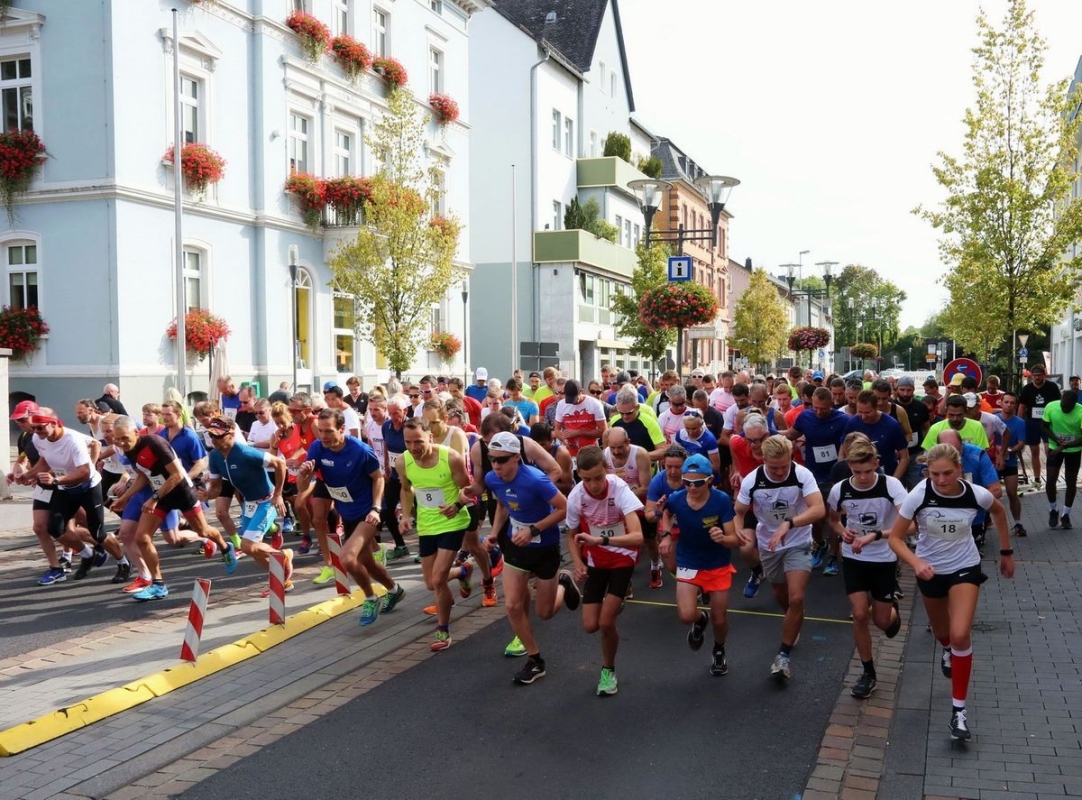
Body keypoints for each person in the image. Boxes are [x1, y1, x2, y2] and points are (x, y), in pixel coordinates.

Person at [888, 443, 1014, 741]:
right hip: (930, 571)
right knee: (943, 634)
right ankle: (946, 649)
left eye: (947, 473)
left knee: (960, 635)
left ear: (959, 469)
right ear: (927, 472)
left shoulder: (975, 494)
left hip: (964, 567)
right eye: (935, 474)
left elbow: (999, 512)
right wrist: (916, 562)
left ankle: (959, 711)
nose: (941, 480)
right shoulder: (919, 495)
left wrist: (1006, 552)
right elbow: (895, 538)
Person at [481, 432, 578, 684]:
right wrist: (494, 533)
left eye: (502, 459)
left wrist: (534, 530)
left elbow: (564, 507)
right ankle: (535, 660)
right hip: (516, 545)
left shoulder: (536, 480)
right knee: (512, 605)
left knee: (544, 613)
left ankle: (562, 583)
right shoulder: (492, 478)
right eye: (492, 459)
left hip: (545, 546)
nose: (496, 465)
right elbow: (503, 504)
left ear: (516, 457)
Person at [110, 416, 238, 599]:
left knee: (202, 530)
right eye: (117, 439)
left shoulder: (155, 443)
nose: (121, 443)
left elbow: (177, 475)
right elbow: (143, 476)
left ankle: (225, 547)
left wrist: (154, 498)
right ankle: (158, 585)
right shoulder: (129, 449)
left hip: (181, 491)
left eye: (124, 438)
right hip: (161, 495)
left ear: (136, 433)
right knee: (142, 537)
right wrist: (124, 498)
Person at [299, 409, 406, 626]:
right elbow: (302, 487)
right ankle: (395, 590)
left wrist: (376, 508)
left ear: (342, 429)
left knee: (347, 559)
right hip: (347, 512)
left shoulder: (360, 450)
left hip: (368, 513)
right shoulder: (317, 448)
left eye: (329, 431)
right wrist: (304, 473)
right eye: (321, 431)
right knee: (367, 562)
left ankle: (370, 598)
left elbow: (378, 478)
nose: (323, 436)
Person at [734, 435, 825, 681]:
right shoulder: (752, 480)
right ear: (763, 460)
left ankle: (782, 656)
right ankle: (793, 617)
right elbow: (739, 512)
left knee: (797, 597)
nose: (780, 472)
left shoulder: (802, 475)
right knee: (780, 593)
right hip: (769, 543)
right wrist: (739, 529)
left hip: (798, 540)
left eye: (784, 466)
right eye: (774, 468)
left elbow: (818, 509)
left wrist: (790, 523)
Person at [826, 436, 906, 698]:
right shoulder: (839, 490)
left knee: (881, 621)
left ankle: (892, 612)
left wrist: (876, 535)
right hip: (854, 558)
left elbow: (909, 525)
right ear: (849, 466)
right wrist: (843, 533)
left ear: (877, 464)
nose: (862, 477)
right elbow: (833, 520)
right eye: (857, 471)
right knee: (860, 614)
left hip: (884, 558)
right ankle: (868, 673)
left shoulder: (891, 485)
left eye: (868, 471)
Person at [566, 445, 644, 696]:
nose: (594, 485)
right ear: (579, 475)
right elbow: (571, 535)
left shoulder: (620, 489)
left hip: (623, 556)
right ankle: (603, 595)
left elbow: (638, 537)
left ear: (607, 470)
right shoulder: (576, 496)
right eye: (587, 479)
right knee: (590, 625)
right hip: (596, 559)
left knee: (606, 621)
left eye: (598, 477)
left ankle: (608, 671)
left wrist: (602, 540)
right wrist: (577, 563)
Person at [17, 408, 127, 580]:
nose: (36, 432)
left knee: (97, 532)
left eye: (40, 427)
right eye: (34, 428)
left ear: (54, 423)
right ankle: (88, 554)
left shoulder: (72, 440)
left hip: (88, 487)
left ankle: (123, 562)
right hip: (66, 488)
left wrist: (56, 480)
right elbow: (45, 461)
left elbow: (84, 473)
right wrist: (27, 475)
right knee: (55, 528)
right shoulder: (39, 438)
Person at [659, 453, 741, 677]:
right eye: (687, 482)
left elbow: (734, 539)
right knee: (686, 615)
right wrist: (666, 535)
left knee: (719, 618)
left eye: (697, 483)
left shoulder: (721, 500)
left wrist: (722, 538)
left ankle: (719, 649)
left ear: (709, 480)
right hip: (689, 559)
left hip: (717, 562)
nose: (691, 487)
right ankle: (699, 618)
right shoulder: (677, 498)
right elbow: (666, 514)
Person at [397, 416, 473, 651]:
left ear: (430, 436)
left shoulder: (450, 457)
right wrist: (406, 515)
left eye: (418, 441)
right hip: (427, 525)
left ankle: (443, 630)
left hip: (452, 522)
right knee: (431, 583)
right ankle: (462, 571)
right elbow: (406, 489)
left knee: (439, 579)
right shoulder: (402, 461)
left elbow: (468, 488)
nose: (413, 447)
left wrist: (458, 504)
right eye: (408, 442)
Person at [203, 417, 296, 594]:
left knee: (248, 546)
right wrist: (207, 495)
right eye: (211, 436)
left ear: (231, 434)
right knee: (253, 550)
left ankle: (284, 556)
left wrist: (278, 494)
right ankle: (282, 581)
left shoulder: (245, 452)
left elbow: (280, 463)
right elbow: (215, 488)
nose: (214, 440)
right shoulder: (214, 456)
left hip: (267, 501)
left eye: (218, 436)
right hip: (250, 503)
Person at [603, 427, 658, 588]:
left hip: (640, 502)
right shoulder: (605, 455)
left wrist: (623, 498)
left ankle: (655, 564)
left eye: (620, 447)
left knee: (649, 540)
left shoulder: (640, 454)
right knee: (623, 539)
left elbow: (645, 487)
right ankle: (624, 573)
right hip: (619, 505)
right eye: (612, 447)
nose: (616, 451)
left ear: (628, 442)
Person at [1041, 389, 1082, 529]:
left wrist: (1065, 445)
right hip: (1055, 446)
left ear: (1075, 404)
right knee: (1050, 479)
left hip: (1074, 450)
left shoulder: (1080, 412)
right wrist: (1056, 440)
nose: (1065, 409)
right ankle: (1053, 510)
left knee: (1071, 482)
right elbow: (1044, 427)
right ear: (1061, 400)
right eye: (1063, 406)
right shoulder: (1051, 406)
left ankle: (1066, 515)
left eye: (1068, 408)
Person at [1018, 363, 1060, 489]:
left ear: (1044, 375)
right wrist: (1019, 422)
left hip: (1048, 423)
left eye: (1039, 375)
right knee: (1034, 452)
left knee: (1049, 452)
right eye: (1034, 375)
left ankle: (1051, 480)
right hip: (1032, 422)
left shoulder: (1052, 387)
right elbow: (1022, 406)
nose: (1037, 377)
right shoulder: (1027, 389)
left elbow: (1058, 405)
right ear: (1031, 376)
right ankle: (1037, 479)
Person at [554, 379, 608, 467]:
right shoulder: (561, 404)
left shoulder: (594, 404)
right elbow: (557, 429)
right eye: (569, 399)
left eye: (574, 399)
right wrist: (564, 439)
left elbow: (604, 431)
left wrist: (579, 432)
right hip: (570, 453)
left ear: (581, 392)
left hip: (590, 453)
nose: (572, 403)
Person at [996, 391, 1028, 536]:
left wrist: (1008, 450)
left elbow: (1021, 443)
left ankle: (1017, 523)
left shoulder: (1020, 423)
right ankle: (985, 521)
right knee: (991, 493)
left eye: (1012, 403)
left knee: (1012, 493)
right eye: (1006, 402)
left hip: (1011, 462)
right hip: (993, 462)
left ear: (1016, 405)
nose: (1009, 405)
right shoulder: (994, 419)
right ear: (1001, 403)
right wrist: (998, 450)